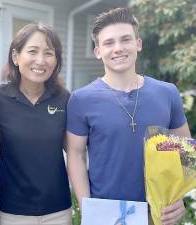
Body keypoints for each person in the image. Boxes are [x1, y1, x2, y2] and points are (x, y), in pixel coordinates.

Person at [66, 7, 191, 225]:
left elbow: (186, 151)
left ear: (138, 44)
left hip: (158, 212)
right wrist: (87, 205)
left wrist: (178, 197)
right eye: (108, 43)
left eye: (125, 40)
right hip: (106, 214)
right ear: (98, 51)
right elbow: (76, 155)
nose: (118, 48)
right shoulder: (81, 99)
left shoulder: (167, 92)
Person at [0, 24, 71, 225]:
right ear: (16, 57)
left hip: (58, 210)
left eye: (49, 53)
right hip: (10, 210)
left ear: (56, 60)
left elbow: (76, 151)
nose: (40, 61)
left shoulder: (64, 99)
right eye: (33, 51)